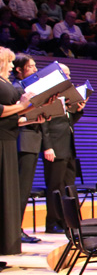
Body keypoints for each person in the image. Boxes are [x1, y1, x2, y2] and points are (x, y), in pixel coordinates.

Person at [0, 47, 36, 255]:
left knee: (7, 197)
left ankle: (5, 247)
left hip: (8, 141)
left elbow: (13, 115)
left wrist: (33, 112)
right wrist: (23, 105)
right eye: (10, 62)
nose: (13, 66)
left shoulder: (5, 82)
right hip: (2, 142)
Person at [41, 64, 84, 235]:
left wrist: (78, 111)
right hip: (55, 148)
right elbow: (43, 122)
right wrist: (47, 146)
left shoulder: (65, 95)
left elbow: (67, 122)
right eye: (65, 73)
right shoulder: (46, 94)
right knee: (55, 187)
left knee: (68, 186)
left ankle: (67, 222)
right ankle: (52, 223)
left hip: (68, 147)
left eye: (69, 73)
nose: (68, 77)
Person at [12, 55, 42, 244]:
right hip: (23, 142)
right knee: (21, 190)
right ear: (19, 70)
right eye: (30, 66)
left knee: (23, 189)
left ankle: (16, 228)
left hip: (29, 141)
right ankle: (16, 229)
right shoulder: (17, 88)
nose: (35, 69)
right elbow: (15, 115)